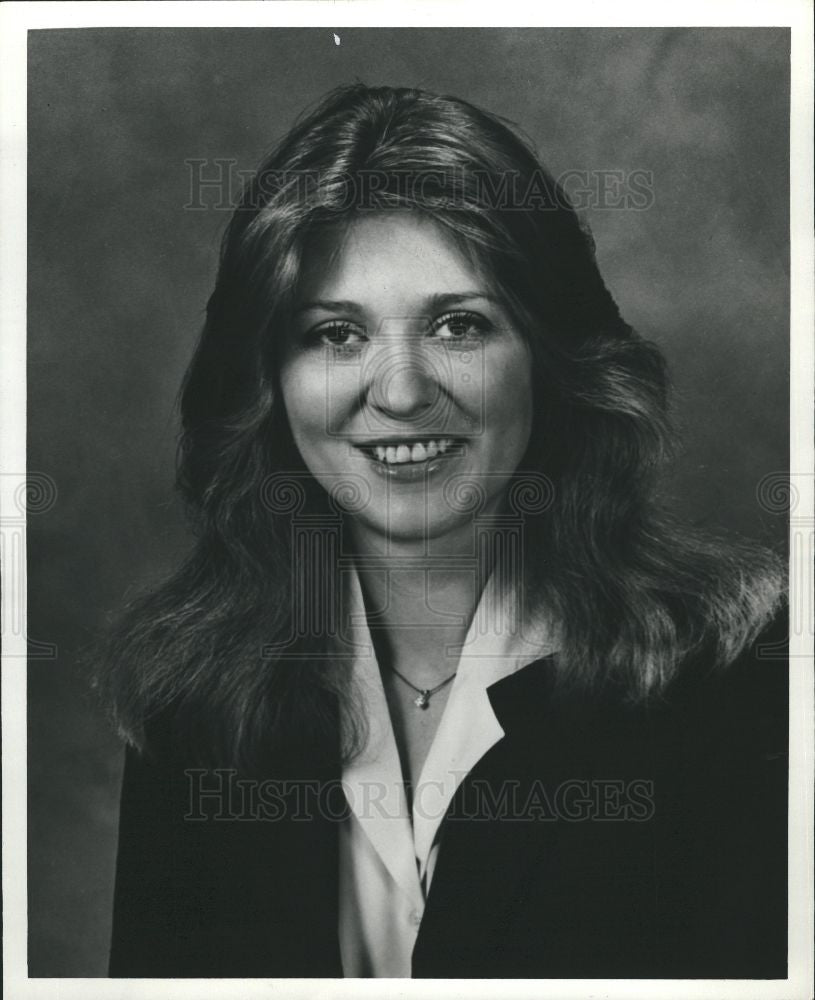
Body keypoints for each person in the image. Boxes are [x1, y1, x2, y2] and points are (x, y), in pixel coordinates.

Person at [98, 83, 788, 979]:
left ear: (550, 355)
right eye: (336, 334)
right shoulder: (191, 698)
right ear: (268, 380)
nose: (399, 392)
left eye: (459, 325)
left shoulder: (742, 681)